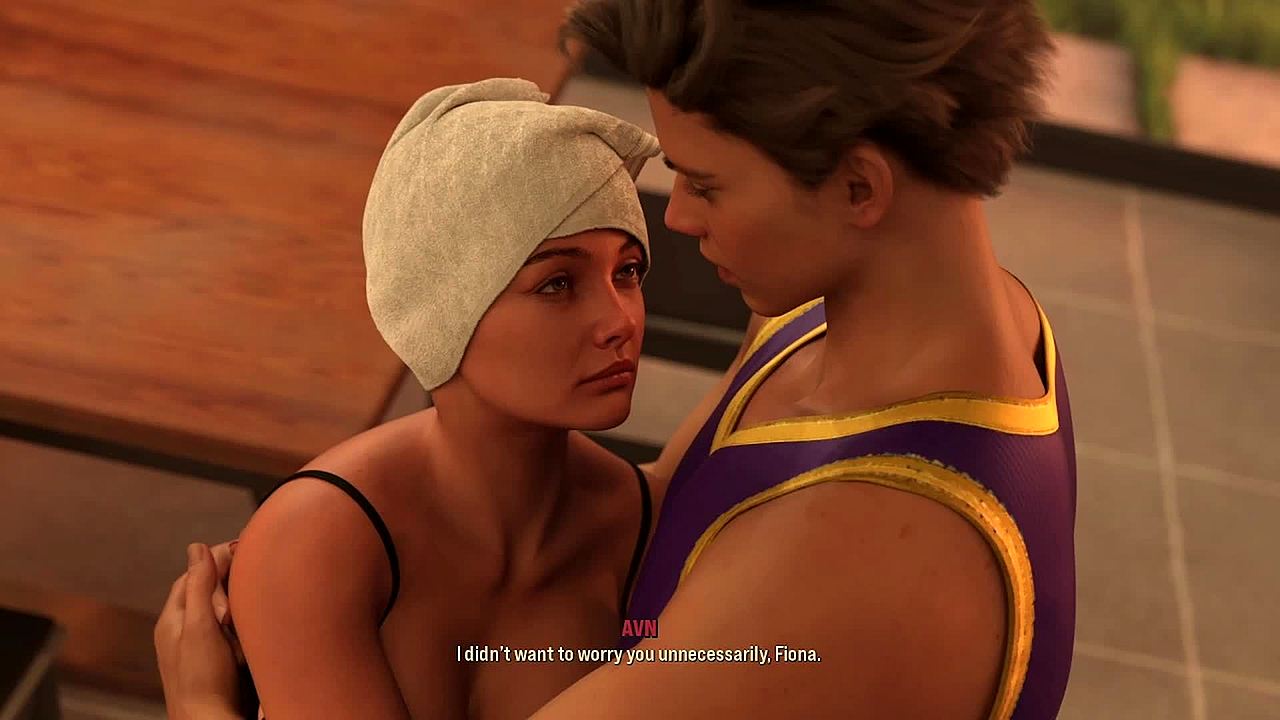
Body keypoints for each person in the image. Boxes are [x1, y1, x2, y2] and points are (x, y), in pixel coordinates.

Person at [157, 0, 1078, 717]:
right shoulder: (879, 321)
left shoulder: (851, 563)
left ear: (857, 184)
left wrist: (202, 707)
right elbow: (677, 506)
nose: (680, 217)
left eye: (707, 183)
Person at [157, 77, 670, 720]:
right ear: (439, 309)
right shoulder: (317, 539)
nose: (620, 320)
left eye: (627, 271)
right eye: (557, 284)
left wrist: (199, 706)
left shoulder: (647, 525)